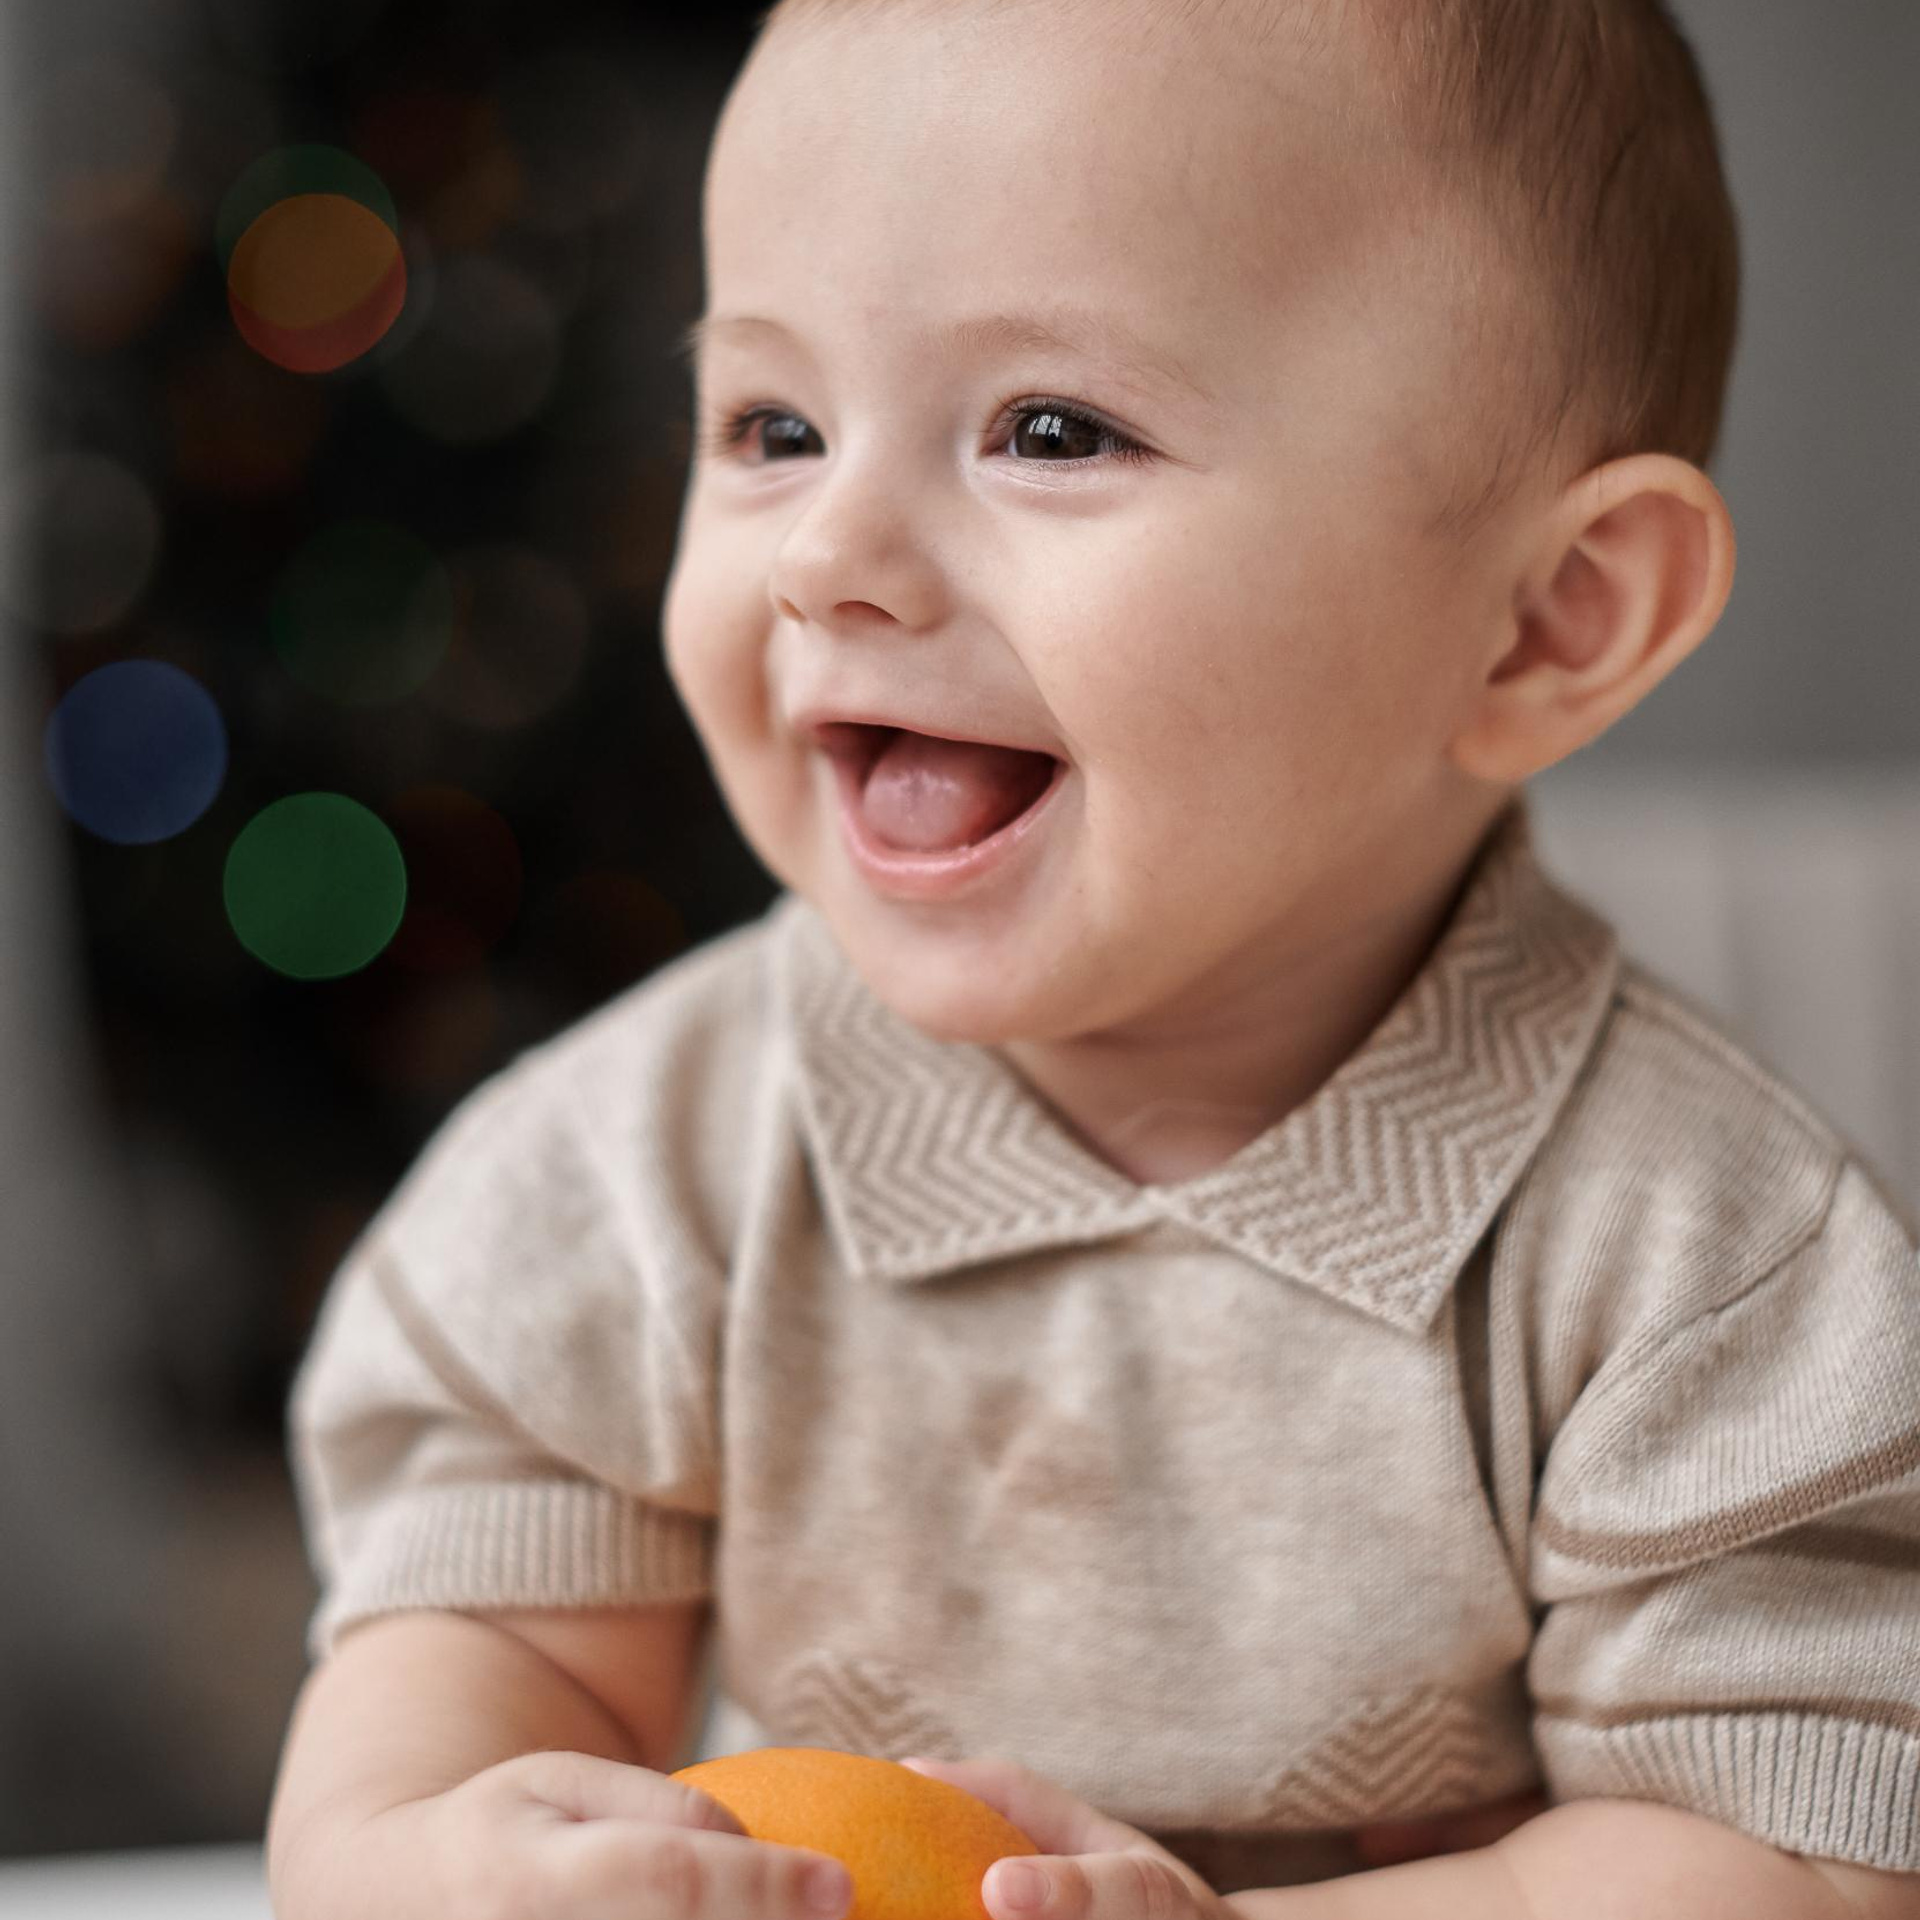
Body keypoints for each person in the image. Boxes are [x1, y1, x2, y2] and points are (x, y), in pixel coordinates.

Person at [265, 1, 1920, 1916]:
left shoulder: (1704, 1266)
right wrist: (435, 1865)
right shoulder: (627, 1179)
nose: (828, 556)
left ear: (1548, 621)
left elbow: (1786, 1867)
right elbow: (471, 1683)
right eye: (771, 426)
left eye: (1050, 429)